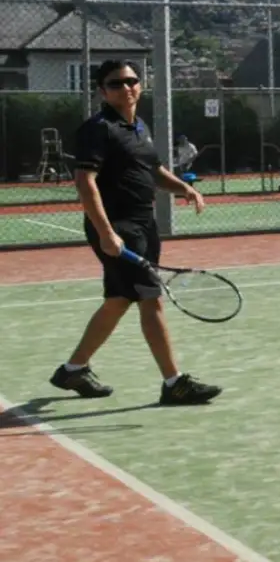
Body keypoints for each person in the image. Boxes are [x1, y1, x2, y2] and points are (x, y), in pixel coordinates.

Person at [49, 59, 221, 406]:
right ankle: (174, 383)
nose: (126, 87)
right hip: (119, 228)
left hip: (144, 224)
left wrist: (184, 189)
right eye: (116, 84)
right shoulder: (99, 129)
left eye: (131, 81)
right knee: (149, 297)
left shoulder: (139, 126)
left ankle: (73, 369)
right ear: (103, 91)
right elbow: (85, 182)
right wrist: (107, 233)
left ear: (139, 85)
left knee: (119, 299)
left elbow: (153, 169)